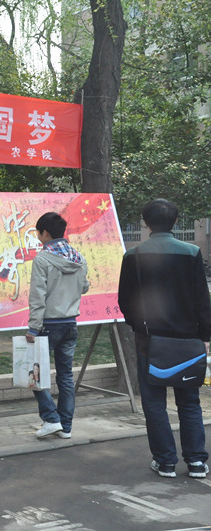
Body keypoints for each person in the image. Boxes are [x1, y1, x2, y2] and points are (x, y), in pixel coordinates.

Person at [118, 198, 210, 479]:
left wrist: (139, 326)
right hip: (187, 340)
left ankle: (165, 461)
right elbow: (202, 301)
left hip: (150, 340)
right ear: (176, 221)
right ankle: (196, 462)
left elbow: (125, 301)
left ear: (145, 223)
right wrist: (205, 335)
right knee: (189, 401)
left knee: (154, 403)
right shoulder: (192, 253)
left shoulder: (133, 256)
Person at [26, 212, 89, 439]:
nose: (38, 236)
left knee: (34, 373)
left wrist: (33, 328)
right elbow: (84, 287)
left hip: (48, 325)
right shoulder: (79, 258)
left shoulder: (42, 259)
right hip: (70, 323)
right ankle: (66, 426)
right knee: (65, 376)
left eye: (38, 232)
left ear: (45, 233)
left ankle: (51, 419)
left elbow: (38, 296)